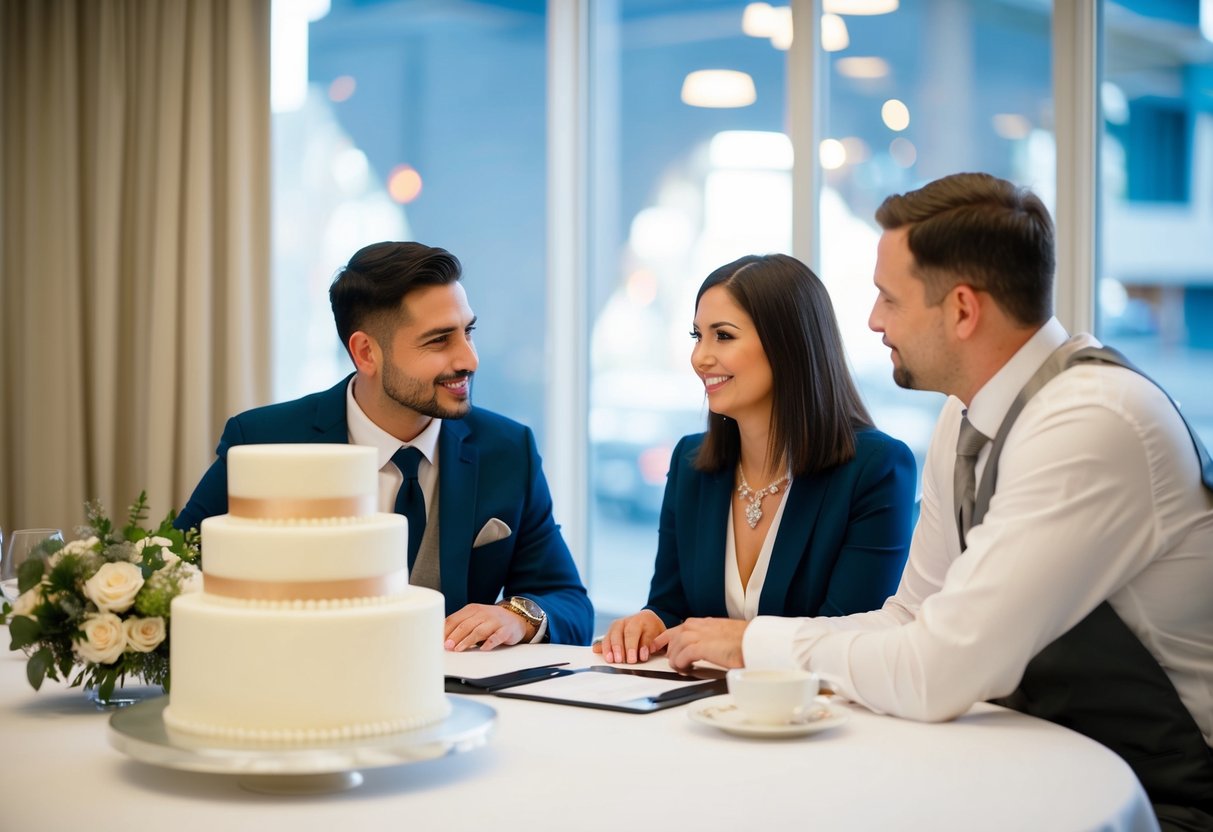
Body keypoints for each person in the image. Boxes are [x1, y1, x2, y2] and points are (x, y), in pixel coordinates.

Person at [654, 173, 1213, 827]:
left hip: (1161, 796)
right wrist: (748, 639)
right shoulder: (965, 416)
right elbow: (909, 621)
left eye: (888, 298)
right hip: (1039, 763)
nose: (871, 320)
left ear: (961, 310)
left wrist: (757, 645)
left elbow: (935, 670)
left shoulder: (1092, 419)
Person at [176, 241, 594, 649]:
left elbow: (568, 601)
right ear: (366, 352)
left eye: (468, 332)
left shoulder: (507, 448)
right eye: (439, 340)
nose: (469, 359)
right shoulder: (263, 442)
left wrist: (516, 616)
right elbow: (175, 574)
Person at [594, 253, 916, 664]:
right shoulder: (690, 463)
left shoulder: (877, 468)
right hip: (699, 717)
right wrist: (650, 622)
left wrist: (745, 642)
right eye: (697, 336)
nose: (700, 358)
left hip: (821, 720)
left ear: (789, 344)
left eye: (723, 336)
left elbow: (854, 638)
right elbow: (672, 605)